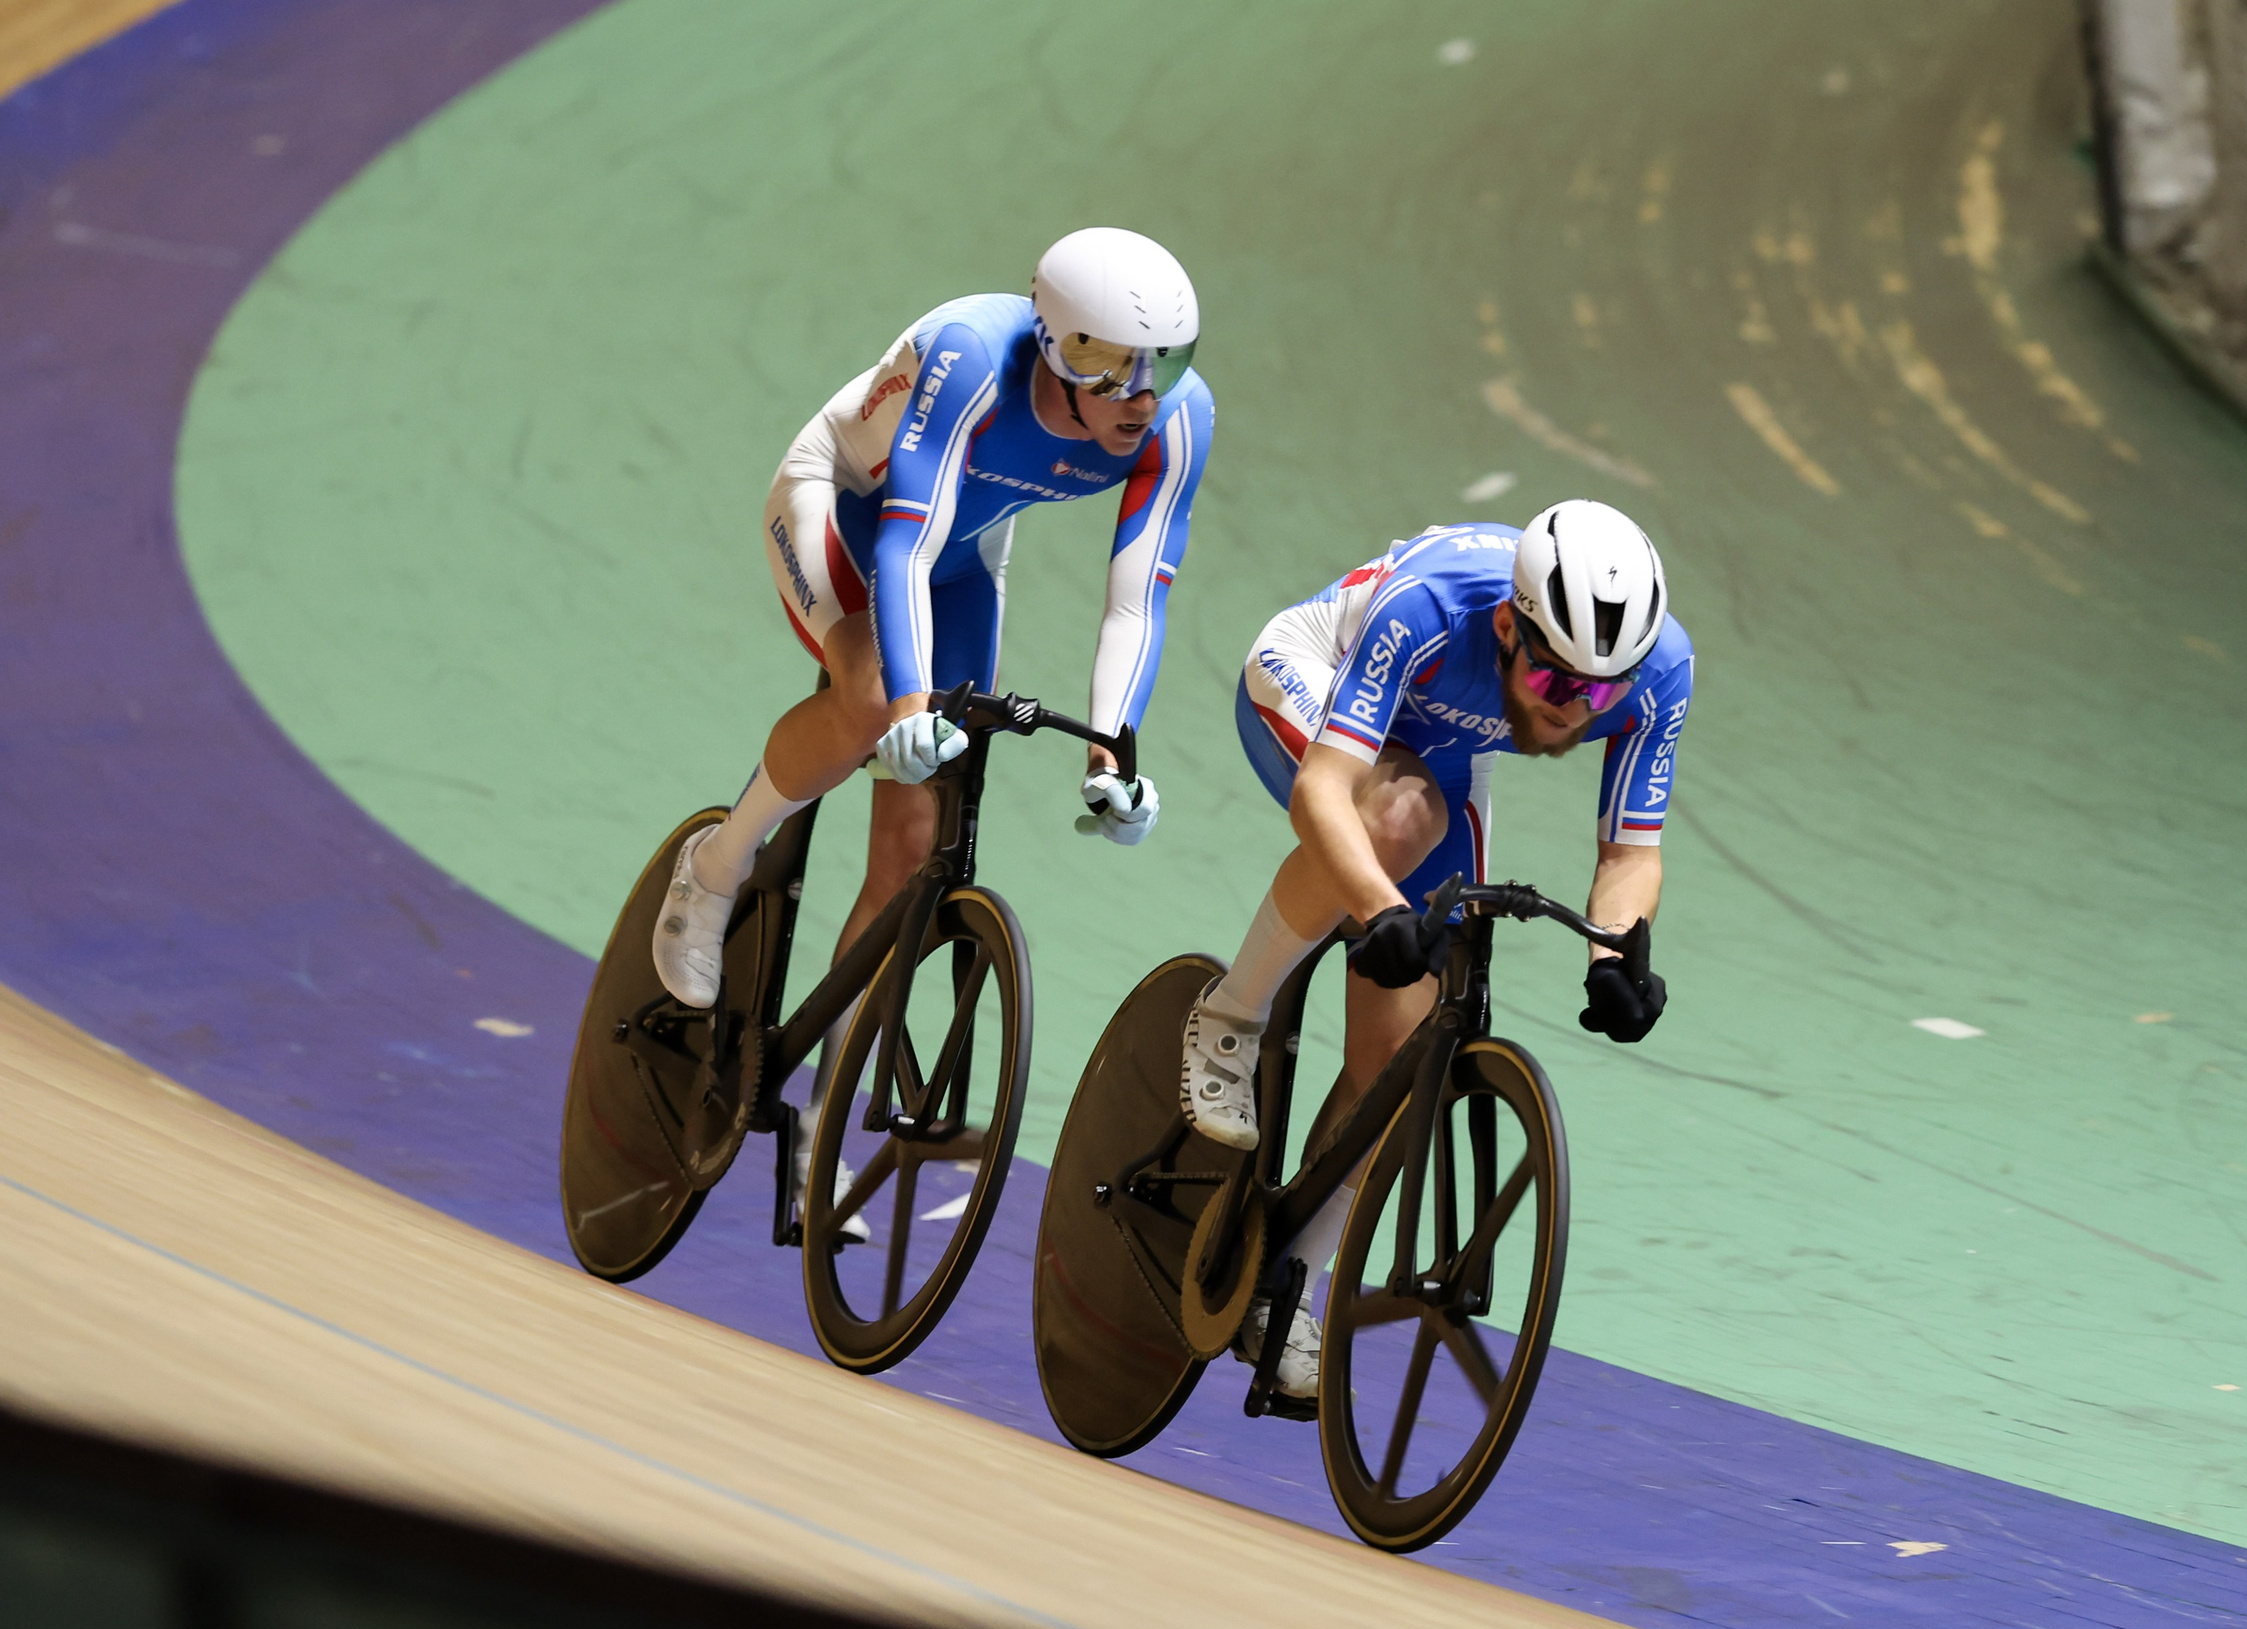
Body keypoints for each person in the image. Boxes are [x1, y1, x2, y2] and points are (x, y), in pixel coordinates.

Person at [652, 227, 1213, 1222]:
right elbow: (900, 545)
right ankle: (717, 862)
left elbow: (1137, 601)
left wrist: (1111, 752)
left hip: (963, 553)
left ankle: (820, 1140)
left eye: (1159, 364)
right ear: (1053, 345)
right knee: (871, 699)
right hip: (846, 508)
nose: (1140, 393)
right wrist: (907, 710)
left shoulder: (1178, 421)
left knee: (913, 855)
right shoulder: (970, 357)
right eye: (1111, 363)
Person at [1182, 500, 1688, 1397]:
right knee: (1398, 819)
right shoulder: (1430, 606)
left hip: (1451, 753)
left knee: (1402, 1059)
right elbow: (1324, 792)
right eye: (1561, 686)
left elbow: (1629, 853)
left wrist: (1614, 956)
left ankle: (1283, 1279)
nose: (1578, 715)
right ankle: (1228, 1015)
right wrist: (1378, 906)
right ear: (1507, 626)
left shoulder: (1658, 671)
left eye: (1602, 695)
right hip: (1314, 682)